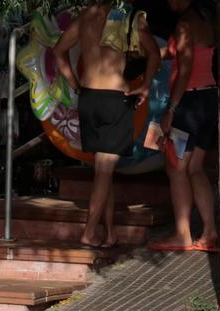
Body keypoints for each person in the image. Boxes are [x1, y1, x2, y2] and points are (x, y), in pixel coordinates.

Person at [54, 2, 161, 247]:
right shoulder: (129, 17)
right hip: (115, 99)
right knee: (104, 169)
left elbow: (59, 50)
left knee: (103, 170)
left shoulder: (85, 15)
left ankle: (109, 233)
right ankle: (89, 232)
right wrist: (145, 85)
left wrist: (75, 85)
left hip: (89, 97)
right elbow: (154, 53)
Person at [149, 0, 218, 252]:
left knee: (176, 167)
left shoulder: (184, 23)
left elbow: (186, 67)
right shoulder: (206, 19)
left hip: (189, 102)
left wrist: (171, 110)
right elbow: (185, 53)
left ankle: (182, 234)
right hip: (209, 98)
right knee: (196, 168)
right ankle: (210, 231)